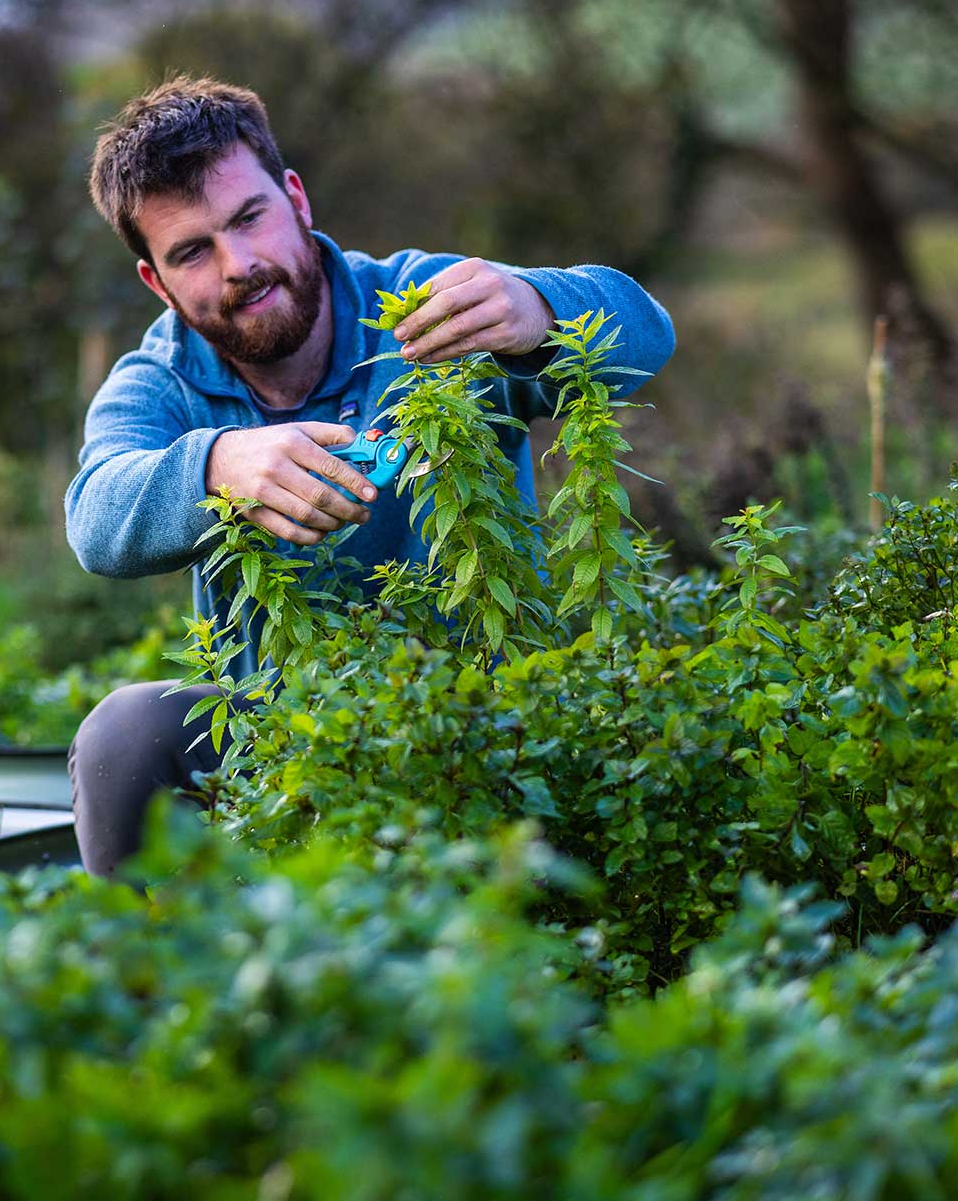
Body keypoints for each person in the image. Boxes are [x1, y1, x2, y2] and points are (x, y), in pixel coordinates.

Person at [63, 76, 677, 876]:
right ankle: (167, 984)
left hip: (489, 724)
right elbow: (95, 517)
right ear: (157, 280)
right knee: (124, 733)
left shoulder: (424, 305)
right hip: (283, 750)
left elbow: (646, 335)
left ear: (296, 199)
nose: (240, 264)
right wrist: (213, 466)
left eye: (250, 218)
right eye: (192, 251)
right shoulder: (160, 382)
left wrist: (541, 310)